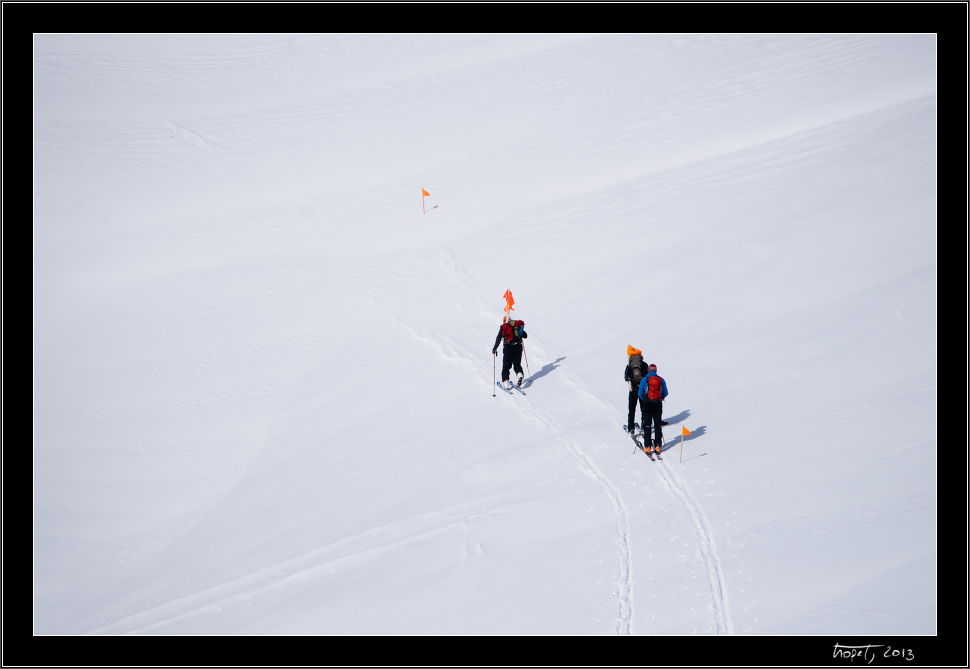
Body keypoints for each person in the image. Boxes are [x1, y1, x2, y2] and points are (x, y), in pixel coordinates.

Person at [638, 363, 669, 451]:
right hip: (658, 405)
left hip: (647, 405)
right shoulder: (661, 379)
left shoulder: (644, 379)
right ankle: (658, 445)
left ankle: (648, 446)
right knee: (657, 425)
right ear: (656, 371)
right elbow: (666, 392)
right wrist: (660, 397)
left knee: (647, 425)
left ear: (648, 370)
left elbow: (640, 393)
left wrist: (645, 399)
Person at [492, 316, 528, 389]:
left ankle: (506, 382)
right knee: (517, 364)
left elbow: (498, 338)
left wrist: (495, 348)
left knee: (506, 366)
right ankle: (519, 374)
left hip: (508, 348)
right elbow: (525, 336)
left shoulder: (504, 327)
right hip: (518, 347)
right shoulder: (516, 326)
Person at [624, 346, 648, 434]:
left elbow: (626, 378)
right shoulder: (644, 364)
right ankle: (644, 426)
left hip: (633, 389)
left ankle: (631, 427)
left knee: (631, 408)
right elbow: (648, 377)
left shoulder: (629, 365)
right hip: (642, 389)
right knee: (643, 409)